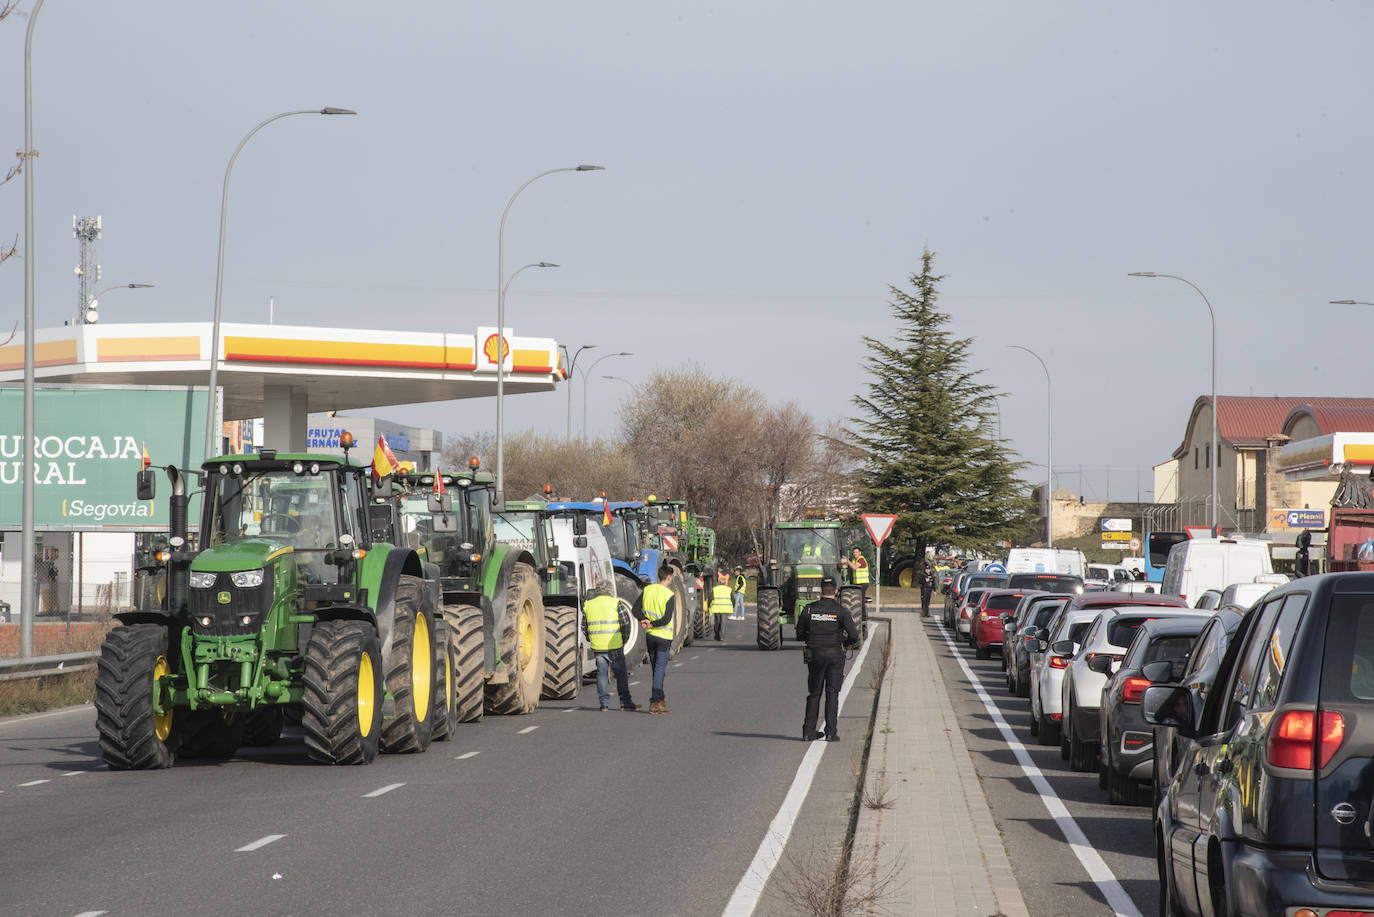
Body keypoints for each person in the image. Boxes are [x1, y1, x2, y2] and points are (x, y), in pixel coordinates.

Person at [797, 576, 861, 742]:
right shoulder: (841, 611)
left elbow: (799, 634)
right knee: (832, 693)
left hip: (814, 654)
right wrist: (847, 644)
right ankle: (831, 732)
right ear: (836, 591)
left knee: (814, 693)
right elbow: (854, 635)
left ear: (820, 591)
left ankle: (808, 732)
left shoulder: (809, 610)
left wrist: (812, 639)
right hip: (834, 655)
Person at [581, 584, 637, 712]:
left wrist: (591, 639)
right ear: (610, 590)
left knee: (601, 674)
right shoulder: (616, 603)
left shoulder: (589, 605)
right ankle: (625, 703)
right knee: (621, 675)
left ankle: (604, 704)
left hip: (598, 646)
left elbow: (584, 626)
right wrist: (624, 638)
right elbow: (625, 623)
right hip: (615, 646)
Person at [634, 565, 677, 714]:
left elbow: (635, 609)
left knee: (656, 670)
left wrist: (644, 620)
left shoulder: (648, 590)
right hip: (663, 637)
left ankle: (660, 699)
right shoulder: (669, 595)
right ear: (669, 577)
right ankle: (654, 701)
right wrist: (652, 623)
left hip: (650, 636)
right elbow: (666, 619)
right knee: (659, 669)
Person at [709, 569, 733, 640]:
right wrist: (733, 606)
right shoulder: (729, 589)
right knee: (723, 623)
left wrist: (708, 605)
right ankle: (722, 636)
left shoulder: (715, 589)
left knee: (717, 622)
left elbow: (710, 598)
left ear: (719, 582)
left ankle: (716, 635)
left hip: (717, 609)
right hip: (725, 609)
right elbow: (733, 599)